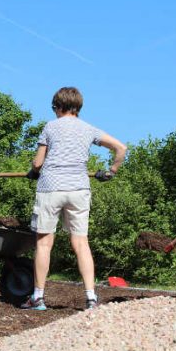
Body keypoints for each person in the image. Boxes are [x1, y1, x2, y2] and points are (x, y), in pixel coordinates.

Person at [22, 87, 127, 311]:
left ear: (58, 107)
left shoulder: (50, 126)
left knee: (44, 243)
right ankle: (91, 298)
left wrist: (33, 171)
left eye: (54, 108)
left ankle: (38, 298)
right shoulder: (88, 129)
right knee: (81, 243)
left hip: (51, 188)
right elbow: (121, 148)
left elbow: (38, 163)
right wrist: (111, 170)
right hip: (79, 189)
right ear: (77, 107)